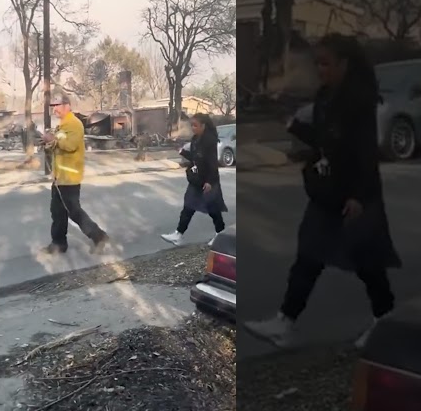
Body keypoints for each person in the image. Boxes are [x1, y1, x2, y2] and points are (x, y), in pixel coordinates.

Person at [243, 33, 401, 349]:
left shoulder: (358, 100)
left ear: (345, 64)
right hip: (328, 194)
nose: (320, 70)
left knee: (369, 265)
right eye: (318, 64)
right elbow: (325, 141)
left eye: (326, 63)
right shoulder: (327, 96)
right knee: (308, 257)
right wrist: (293, 125)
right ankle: (285, 322)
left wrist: (358, 196)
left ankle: (385, 322)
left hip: (357, 197)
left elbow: (364, 153)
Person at [41, 92, 109, 254]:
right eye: (53, 107)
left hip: (70, 178)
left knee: (74, 212)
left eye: (57, 106)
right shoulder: (63, 125)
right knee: (57, 212)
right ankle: (58, 244)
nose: (55, 110)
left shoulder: (74, 124)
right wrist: (47, 143)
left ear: (67, 106)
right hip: (60, 177)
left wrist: (52, 140)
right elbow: (57, 145)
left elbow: (70, 145)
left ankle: (98, 236)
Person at [161, 113, 228, 247]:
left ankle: (220, 234)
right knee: (188, 206)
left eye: (195, 125)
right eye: (192, 125)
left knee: (213, 210)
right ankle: (178, 235)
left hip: (209, 181)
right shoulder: (196, 138)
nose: (193, 128)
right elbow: (196, 157)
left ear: (203, 126)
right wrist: (182, 151)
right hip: (197, 180)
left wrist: (209, 181)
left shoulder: (209, 140)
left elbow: (212, 163)